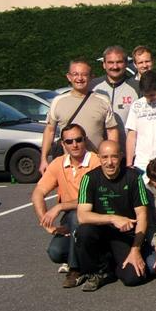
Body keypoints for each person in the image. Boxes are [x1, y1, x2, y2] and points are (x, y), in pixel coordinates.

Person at [32, 123, 100, 288]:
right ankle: (80, 257)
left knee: (78, 216)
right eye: (69, 141)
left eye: (78, 140)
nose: (74, 145)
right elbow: (38, 193)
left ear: (85, 140)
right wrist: (45, 222)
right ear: (63, 144)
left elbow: (92, 199)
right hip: (70, 218)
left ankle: (76, 269)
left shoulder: (96, 161)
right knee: (55, 252)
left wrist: (60, 206)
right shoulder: (58, 163)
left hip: (94, 216)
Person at [75, 140, 149, 291]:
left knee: (133, 278)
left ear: (121, 157)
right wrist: (112, 218)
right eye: (105, 157)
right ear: (99, 158)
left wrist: (135, 250)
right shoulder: (89, 179)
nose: (109, 162)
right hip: (99, 231)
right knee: (84, 231)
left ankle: (113, 265)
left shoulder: (133, 177)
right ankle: (97, 272)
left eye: (114, 157)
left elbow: (142, 215)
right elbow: (82, 216)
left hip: (123, 235)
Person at [40, 57, 118, 173]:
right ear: (69, 77)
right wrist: (44, 159)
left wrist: (112, 157)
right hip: (69, 166)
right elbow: (50, 130)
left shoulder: (103, 101)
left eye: (84, 74)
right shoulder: (58, 101)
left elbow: (112, 131)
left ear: (91, 77)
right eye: (75, 74)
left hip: (96, 164)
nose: (80, 78)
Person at [90, 46, 140, 150]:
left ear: (126, 64)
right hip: (98, 154)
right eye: (110, 62)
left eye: (119, 62)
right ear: (104, 64)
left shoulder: (138, 87)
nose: (115, 66)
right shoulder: (92, 86)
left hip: (130, 154)